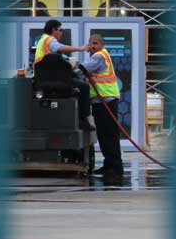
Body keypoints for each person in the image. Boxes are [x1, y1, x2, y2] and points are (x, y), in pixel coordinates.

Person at [33, 19, 92, 128]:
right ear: (53, 30)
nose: (61, 33)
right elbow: (59, 47)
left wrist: (71, 61)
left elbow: (61, 56)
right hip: (56, 79)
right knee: (84, 87)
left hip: (43, 80)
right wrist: (80, 48)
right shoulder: (49, 39)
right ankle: (83, 120)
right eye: (60, 30)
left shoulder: (43, 41)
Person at [83, 33, 124, 177]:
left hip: (106, 103)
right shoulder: (100, 55)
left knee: (108, 136)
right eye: (90, 43)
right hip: (102, 102)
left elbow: (82, 67)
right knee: (104, 136)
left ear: (101, 45)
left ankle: (115, 167)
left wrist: (70, 64)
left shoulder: (99, 56)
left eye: (95, 43)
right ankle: (109, 165)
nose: (92, 46)